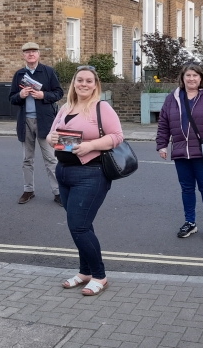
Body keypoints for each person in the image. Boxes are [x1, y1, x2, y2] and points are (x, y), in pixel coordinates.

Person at [46, 65, 123, 296]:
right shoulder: (65, 107)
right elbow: (52, 135)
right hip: (64, 172)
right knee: (81, 226)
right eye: (80, 80)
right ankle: (85, 272)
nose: (84, 84)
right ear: (74, 83)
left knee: (78, 226)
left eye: (89, 81)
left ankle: (100, 275)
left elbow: (117, 136)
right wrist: (52, 139)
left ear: (95, 84)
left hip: (91, 173)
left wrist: (90, 145)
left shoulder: (102, 107)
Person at [156, 63, 203, 242]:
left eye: (195, 76)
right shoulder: (172, 98)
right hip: (181, 151)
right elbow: (164, 123)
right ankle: (190, 222)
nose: (191, 79)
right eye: (188, 75)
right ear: (182, 78)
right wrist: (162, 144)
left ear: (201, 78)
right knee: (187, 189)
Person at [9, 42, 64, 205]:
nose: (30, 54)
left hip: (45, 121)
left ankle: (58, 192)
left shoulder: (48, 72)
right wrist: (21, 94)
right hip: (25, 121)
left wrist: (43, 95)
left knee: (51, 159)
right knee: (27, 159)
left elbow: (58, 93)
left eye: (33, 51)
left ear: (38, 54)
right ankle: (28, 190)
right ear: (23, 55)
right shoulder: (19, 74)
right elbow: (11, 98)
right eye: (27, 52)